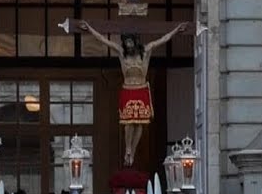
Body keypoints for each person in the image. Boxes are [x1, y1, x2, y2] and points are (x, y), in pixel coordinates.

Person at [79, 18, 188, 167]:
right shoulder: (121, 53)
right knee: (128, 122)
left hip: (141, 89)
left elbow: (163, 39)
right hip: (128, 89)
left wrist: (176, 30)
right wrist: (90, 29)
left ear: (135, 42)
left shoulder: (146, 51)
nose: (128, 45)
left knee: (140, 123)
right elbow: (104, 40)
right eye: (126, 42)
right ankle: (128, 149)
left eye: (130, 42)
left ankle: (133, 151)